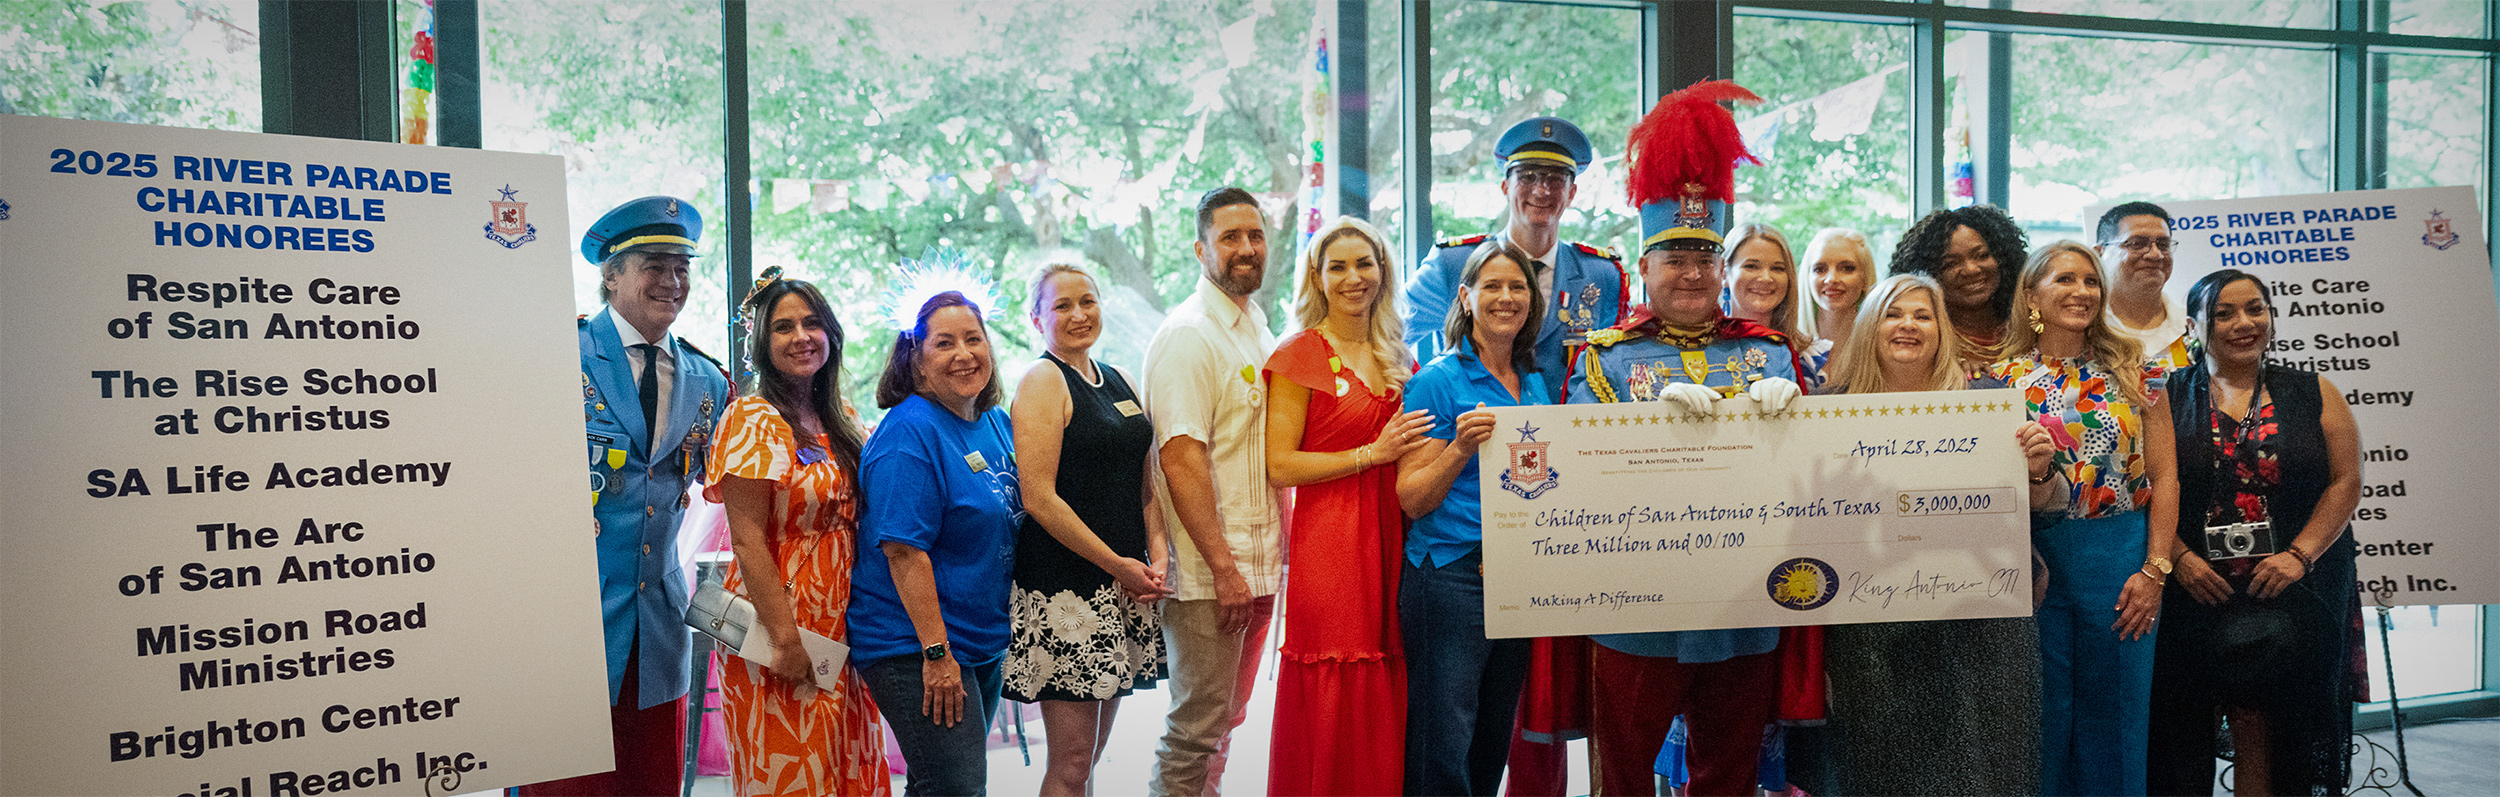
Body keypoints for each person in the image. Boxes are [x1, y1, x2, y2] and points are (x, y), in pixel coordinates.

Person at [1563, 79, 1812, 797]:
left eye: (1706, 258)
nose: (1693, 273)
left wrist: (1795, 413)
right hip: (1636, 609)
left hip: (1744, 604)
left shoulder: (1768, 352)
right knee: (1626, 775)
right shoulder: (1606, 358)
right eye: (1674, 258)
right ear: (1643, 268)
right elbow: (1582, 468)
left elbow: (1803, 475)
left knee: (1728, 773)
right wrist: (1641, 425)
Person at [1787, 273, 2051, 796]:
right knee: (1882, 767)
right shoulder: (1826, 411)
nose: (1908, 325)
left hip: (1980, 625)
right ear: (1870, 327)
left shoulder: (1988, 401)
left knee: (1984, 770)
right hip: (1873, 628)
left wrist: (2039, 469)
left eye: (1922, 315)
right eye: (1893, 313)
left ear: (1941, 330)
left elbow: (2043, 510)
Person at [529, 195, 731, 797]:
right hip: (566, 623)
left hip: (658, 628)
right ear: (611, 274)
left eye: (681, 267)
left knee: (652, 785)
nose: (671, 281)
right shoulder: (556, 358)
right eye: (653, 265)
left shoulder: (708, 382)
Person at [2147, 270, 2362, 796]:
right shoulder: (2164, 395)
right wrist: (2178, 558)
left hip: (2294, 584)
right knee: (2184, 724)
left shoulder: (2314, 391)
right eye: (2224, 313)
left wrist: (2299, 555)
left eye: (2255, 309)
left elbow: (2346, 480)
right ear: (2194, 326)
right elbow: (2146, 485)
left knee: (2278, 721)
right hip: (2194, 587)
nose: (2243, 323)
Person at [1984, 240, 2179, 797]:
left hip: (2120, 556)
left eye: (2091, 281)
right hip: (2031, 558)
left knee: (2115, 716)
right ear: (2031, 296)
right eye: (2065, 279)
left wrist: (2156, 569)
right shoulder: (1995, 382)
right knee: (2040, 717)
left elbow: (2166, 478)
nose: (2081, 291)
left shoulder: (2139, 372)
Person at [1262, 216, 1433, 795]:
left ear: (1383, 271)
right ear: (1317, 276)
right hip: (1331, 542)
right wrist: (1369, 454)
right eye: (1338, 266)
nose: (1353, 277)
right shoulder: (1301, 354)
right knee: (1338, 663)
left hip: (1392, 535)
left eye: (1364, 263)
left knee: (1386, 659)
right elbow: (1279, 464)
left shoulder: (1398, 358)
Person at [706, 272, 891, 796]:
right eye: (783, 327)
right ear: (762, 343)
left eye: (812, 323)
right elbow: (745, 539)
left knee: (843, 766)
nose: (801, 336)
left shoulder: (843, 417)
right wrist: (785, 640)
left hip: (844, 628)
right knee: (793, 776)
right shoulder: (752, 418)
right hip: (778, 629)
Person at [1004, 263, 1173, 797]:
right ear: (1036, 319)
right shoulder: (1041, 380)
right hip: (1067, 591)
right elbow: (1040, 498)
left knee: (1092, 757)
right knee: (1073, 762)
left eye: (1088, 301)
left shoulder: (1116, 378)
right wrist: (1117, 564)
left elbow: (1144, 483)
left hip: (1122, 586)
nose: (1079, 315)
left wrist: (1159, 553)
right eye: (1061, 306)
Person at [852, 290, 1022, 796]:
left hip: (979, 638)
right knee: (955, 788)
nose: (964, 354)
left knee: (944, 786)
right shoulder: (909, 434)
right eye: (944, 343)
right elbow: (904, 551)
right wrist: (936, 653)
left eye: (974, 339)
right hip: (914, 643)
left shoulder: (993, 422)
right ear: (916, 361)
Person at [1395, 238, 1549, 797]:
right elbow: (1411, 497)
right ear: (1465, 297)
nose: (1506, 298)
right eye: (1493, 286)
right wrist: (1458, 448)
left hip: (1516, 576)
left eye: (1518, 287)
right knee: (1444, 738)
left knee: (1491, 736)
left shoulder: (1534, 383)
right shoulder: (1436, 381)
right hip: (1451, 578)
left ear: (1532, 302)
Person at [1147, 187, 1285, 797]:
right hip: (1212, 576)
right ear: (1200, 248)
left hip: (1256, 567)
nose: (1246, 249)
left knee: (1225, 725)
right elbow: (1180, 459)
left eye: (1254, 235)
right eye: (1230, 237)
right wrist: (1224, 569)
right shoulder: (1190, 335)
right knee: (1195, 732)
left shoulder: (1254, 323)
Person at [1401, 116, 1630, 404]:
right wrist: (1423, 392)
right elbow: (1387, 334)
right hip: (1474, 438)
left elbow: (1622, 361)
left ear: (1571, 193)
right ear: (1505, 187)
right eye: (1528, 176)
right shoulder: (1453, 264)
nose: (1541, 190)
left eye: (1555, 179)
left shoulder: (1601, 274)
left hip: (1574, 439)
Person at [1890, 204, 2029, 365]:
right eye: (1950, 264)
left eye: (1981, 255)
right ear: (1928, 274)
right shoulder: (1917, 337)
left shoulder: (2032, 327)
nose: (1971, 270)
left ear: (2004, 258)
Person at [2095, 202, 2196, 382]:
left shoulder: (2192, 327)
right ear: (2099, 253)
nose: (2155, 254)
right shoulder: (2087, 329)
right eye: (2137, 244)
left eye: (2163, 244)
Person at [1721, 222, 1814, 385]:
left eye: (1777, 268)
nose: (1765, 278)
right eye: (1751, 266)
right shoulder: (1705, 346)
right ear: (1724, 273)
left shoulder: (1811, 356)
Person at [1798, 227, 1875, 372]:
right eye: (1820, 269)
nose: (1831, 278)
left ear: (1865, 277)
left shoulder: (1881, 349)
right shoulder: (1787, 349)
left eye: (1847, 268)